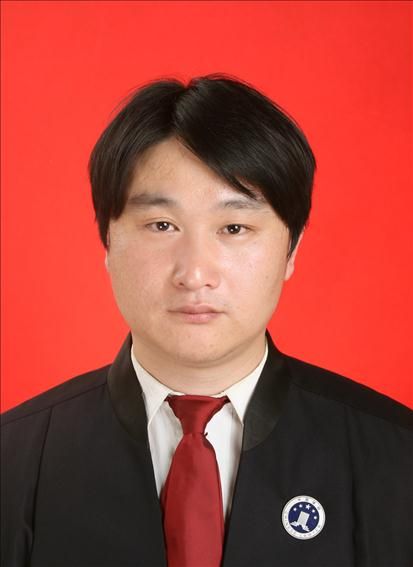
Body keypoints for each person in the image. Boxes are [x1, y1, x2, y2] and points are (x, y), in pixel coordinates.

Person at [1, 75, 412, 567]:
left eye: (234, 228)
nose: (195, 274)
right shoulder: (14, 460)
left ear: (291, 249)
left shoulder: (396, 459)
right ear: (107, 241)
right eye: (161, 225)